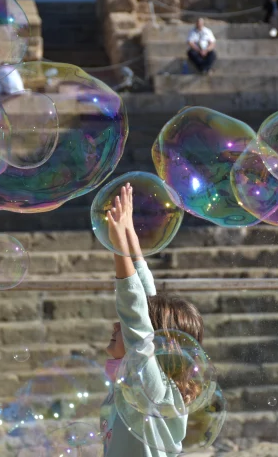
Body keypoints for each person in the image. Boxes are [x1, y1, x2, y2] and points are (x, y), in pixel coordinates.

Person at [100, 183, 205, 456]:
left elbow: (135, 314)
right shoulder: (148, 383)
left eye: (124, 326)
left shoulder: (153, 390)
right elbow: (145, 304)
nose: (116, 325)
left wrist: (119, 247)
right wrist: (130, 236)